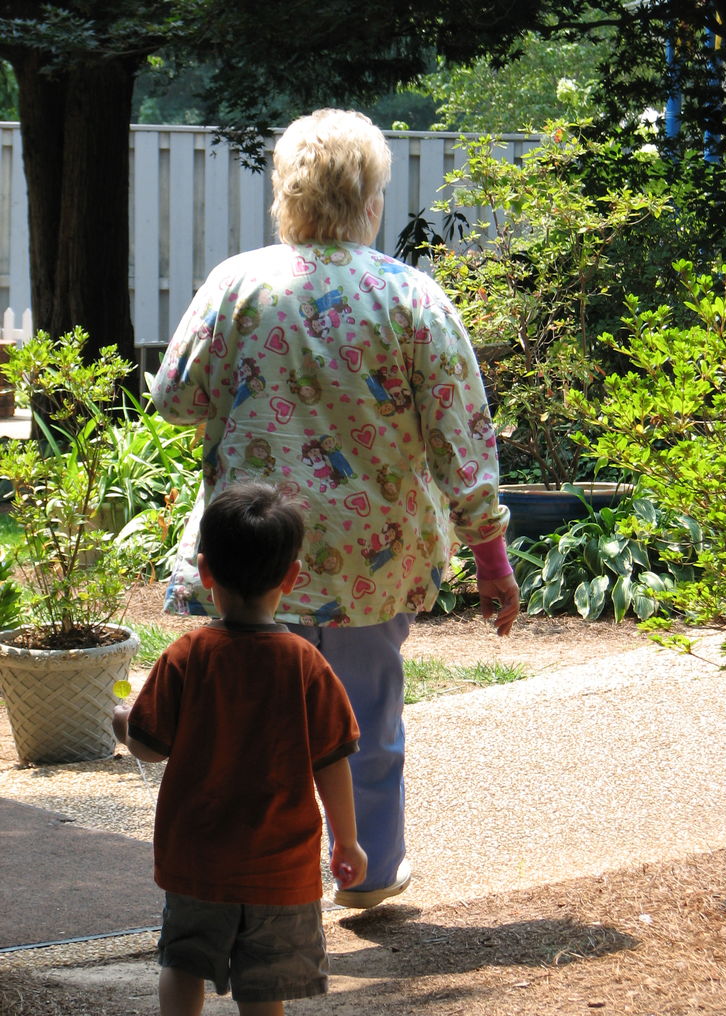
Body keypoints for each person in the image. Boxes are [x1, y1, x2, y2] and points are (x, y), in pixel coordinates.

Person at [151, 107, 520, 911]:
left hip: (256, 555)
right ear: (370, 197)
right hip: (372, 558)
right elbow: (463, 437)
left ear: (287, 193)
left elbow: (175, 398)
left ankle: (254, 876)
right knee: (364, 718)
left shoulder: (238, 284)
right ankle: (370, 870)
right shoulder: (410, 296)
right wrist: (492, 560)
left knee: (252, 714)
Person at [113, 483, 366, 1016]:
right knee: (262, 985)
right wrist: (347, 840)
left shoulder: (187, 656)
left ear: (204, 571)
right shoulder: (305, 663)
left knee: (182, 962)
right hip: (282, 865)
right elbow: (333, 761)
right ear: (292, 578)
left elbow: (150, 748)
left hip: (197, 862)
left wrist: (122, 725)